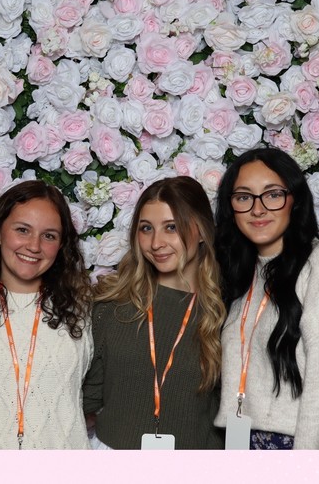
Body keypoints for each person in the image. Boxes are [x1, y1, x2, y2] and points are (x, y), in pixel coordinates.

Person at [213, 148, 319, 449]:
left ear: (295, 200)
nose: (257, 209)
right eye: (243, 197)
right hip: (238, 443)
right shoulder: (240, 274)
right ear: (231, 207)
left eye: (272, 194)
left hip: (295, 446)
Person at [84, 176, 224, 449]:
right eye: (146, 228)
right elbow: (84, 398)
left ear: (203, 231)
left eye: (171, 227)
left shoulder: (225, 314)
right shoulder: (112, 306)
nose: (156, 242)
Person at [0, 180, 93, 449]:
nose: (34, 246)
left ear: (62, 245)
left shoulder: (84, 310)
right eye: (23, 230)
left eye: (49, 235)